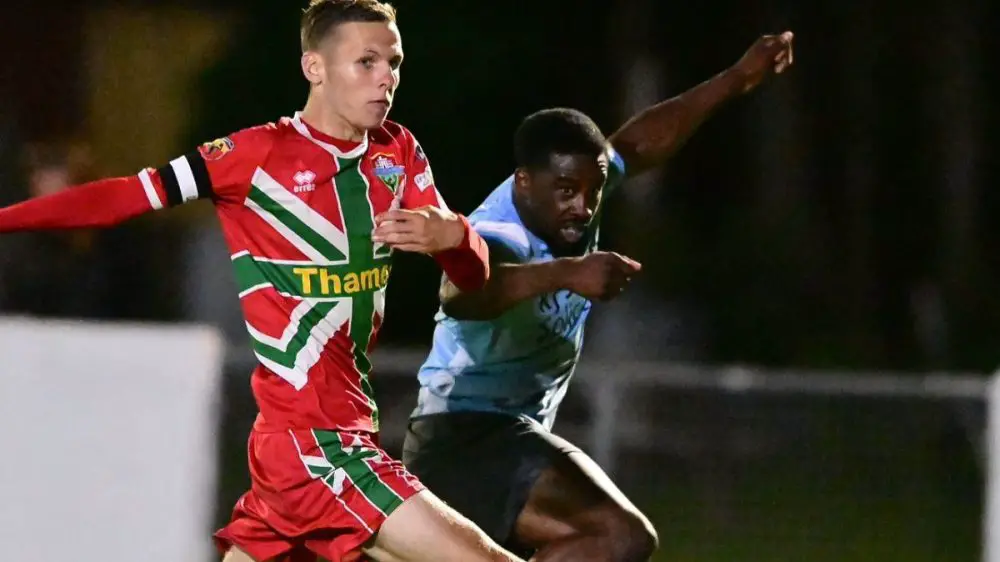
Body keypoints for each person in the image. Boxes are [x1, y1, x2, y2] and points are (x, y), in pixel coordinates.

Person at [0, 1, 534, 561]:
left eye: (394, 63)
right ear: (315, 68)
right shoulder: (252, 156)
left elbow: (473, 278)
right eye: (367, 62)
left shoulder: (396, 153)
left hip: (310, 445)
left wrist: (454, 236)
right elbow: (124, 195)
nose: (386, 79)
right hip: (319, 447)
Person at [402, 32, 795, 561]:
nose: (583, 208)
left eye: (595, 189)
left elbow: (635, 145)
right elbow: (466, 292)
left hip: (505, 436)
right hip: (464, 438)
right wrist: (567, 273)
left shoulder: (576, 185)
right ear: (524, 183)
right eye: (567, 193)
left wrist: (736, 79)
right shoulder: (497, 231)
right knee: (619, 536)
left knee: (592, 543)